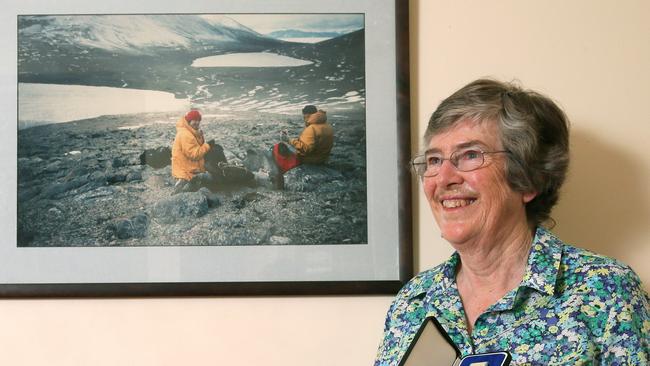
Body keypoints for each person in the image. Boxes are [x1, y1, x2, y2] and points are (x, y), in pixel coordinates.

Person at [374, 79, 649, 365]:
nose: (443, 179)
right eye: (433, 160)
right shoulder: (413, 301)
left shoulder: (604, 290)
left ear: (527, 179)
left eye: (470, 155)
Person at [171, 109, 211, 193]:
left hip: (185, 164)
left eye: (198, 120)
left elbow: (196, 146)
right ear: (189, 121)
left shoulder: (189, 131)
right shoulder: (185, 134)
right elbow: (194, 154)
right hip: (186, 168)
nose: (197, 122)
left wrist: (200, 136)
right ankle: (182, 182)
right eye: (194, 120)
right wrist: (207, 145)